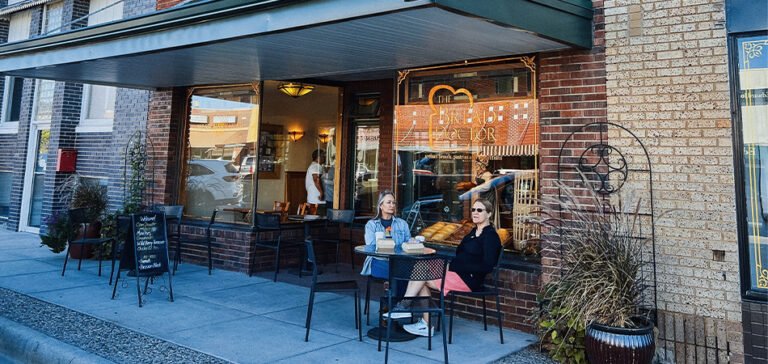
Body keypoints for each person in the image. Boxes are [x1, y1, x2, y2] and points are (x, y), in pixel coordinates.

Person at [390, 198, 502, 337]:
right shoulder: (472, 233)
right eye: (473, 210)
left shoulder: (490, 236)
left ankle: (414, 313)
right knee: (420, 268)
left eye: (480, 210)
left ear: (489, 214)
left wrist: (457, 266)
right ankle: (416, 316)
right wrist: (452, 266)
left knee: (422, 277)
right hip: (457, 272)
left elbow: (487, 266)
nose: (475, 212)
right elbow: (460, 253)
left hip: (470, 280)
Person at [361, 190, 411, 279]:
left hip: (399, 260)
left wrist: (413, 242)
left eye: (393, 203)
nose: (392, 205)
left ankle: (392, 289)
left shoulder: (402, 224)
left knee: (410, 270)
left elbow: (408, 244)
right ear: (381, 206)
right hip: (379, 261)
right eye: (388, 202)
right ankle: (393, 289)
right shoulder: (371, 225)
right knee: (401, 273)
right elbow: (372, 247)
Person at [305, 149, 327, 216]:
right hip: (318, 200)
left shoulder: (313, 166)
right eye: (324, 156)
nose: (325, 157)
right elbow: (316, 179)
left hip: (314, 199)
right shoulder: (316, 166)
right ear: (319, 157)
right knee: (319, 221)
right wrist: (321, 193)